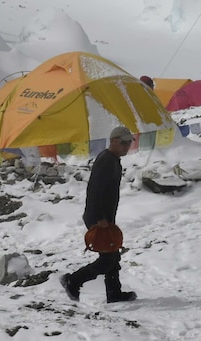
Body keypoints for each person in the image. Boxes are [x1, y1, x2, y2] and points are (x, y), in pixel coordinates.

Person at [60, 126, 138, 303]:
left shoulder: (113, 159)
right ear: (113, 141)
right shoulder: (106, 160)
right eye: (124, 143)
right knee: (108, 258)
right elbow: (94, 191)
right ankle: (73, 280)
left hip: (105, 216)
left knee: (112, 255)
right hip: (98, 217)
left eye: (129, 143)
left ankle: (114, 293)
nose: (127, 146)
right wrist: (100, 218)